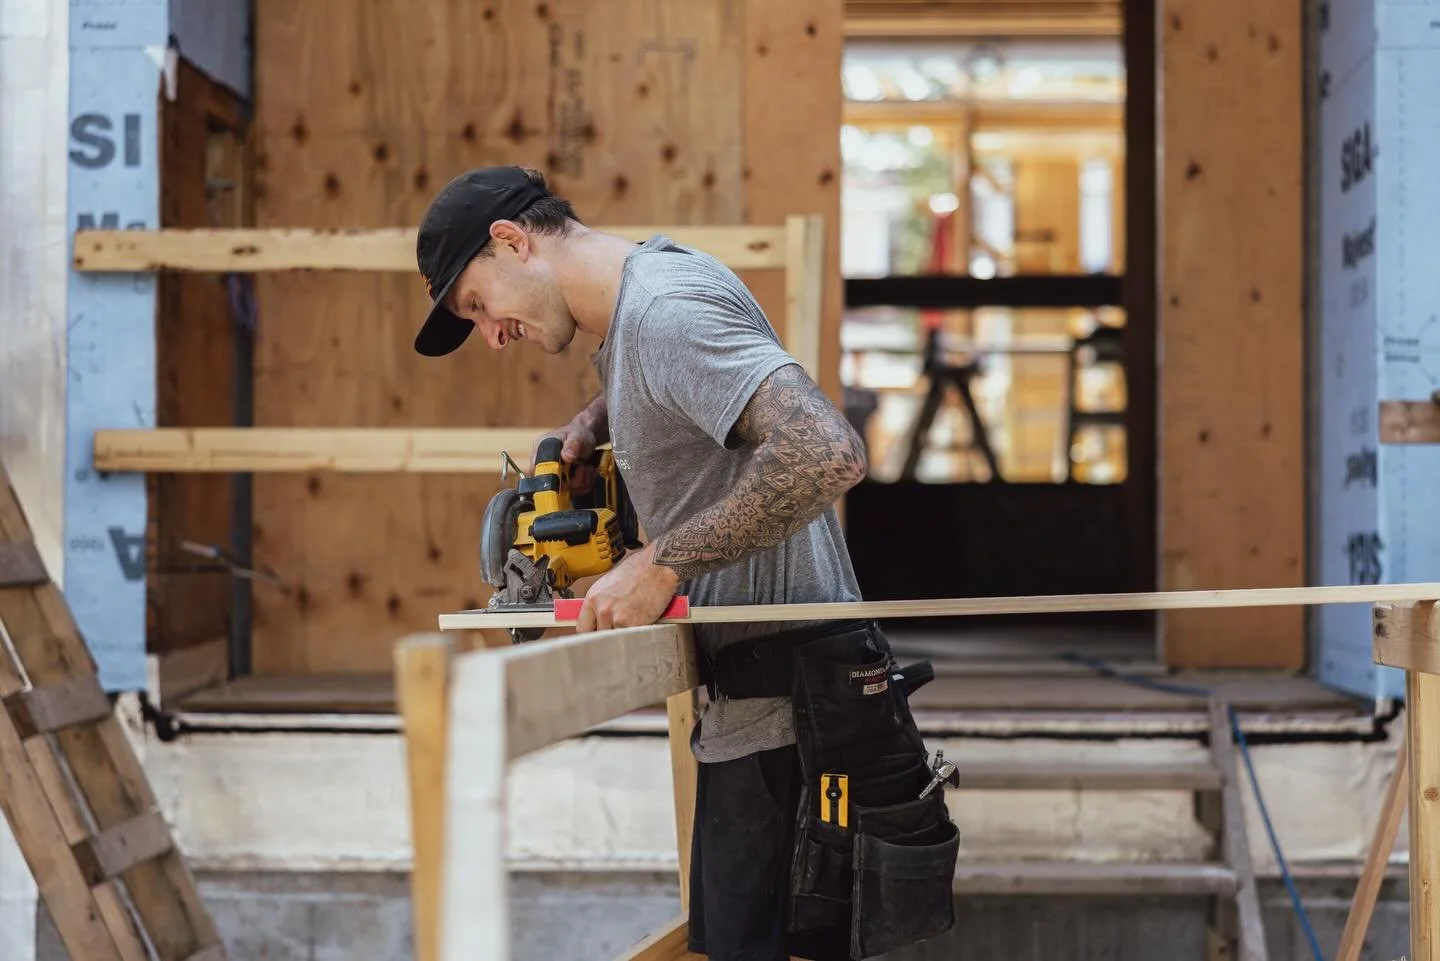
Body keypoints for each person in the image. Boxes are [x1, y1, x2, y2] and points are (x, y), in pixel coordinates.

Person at [412, 165, 955, 961]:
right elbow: (688, 385)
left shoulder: (665, 316)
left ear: (511, 241)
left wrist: (660, 561)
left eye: (477, 304)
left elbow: (826, 453)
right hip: (778, 710)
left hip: (788, 725)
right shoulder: (659, 283)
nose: (491, 334)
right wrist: (598, 420)